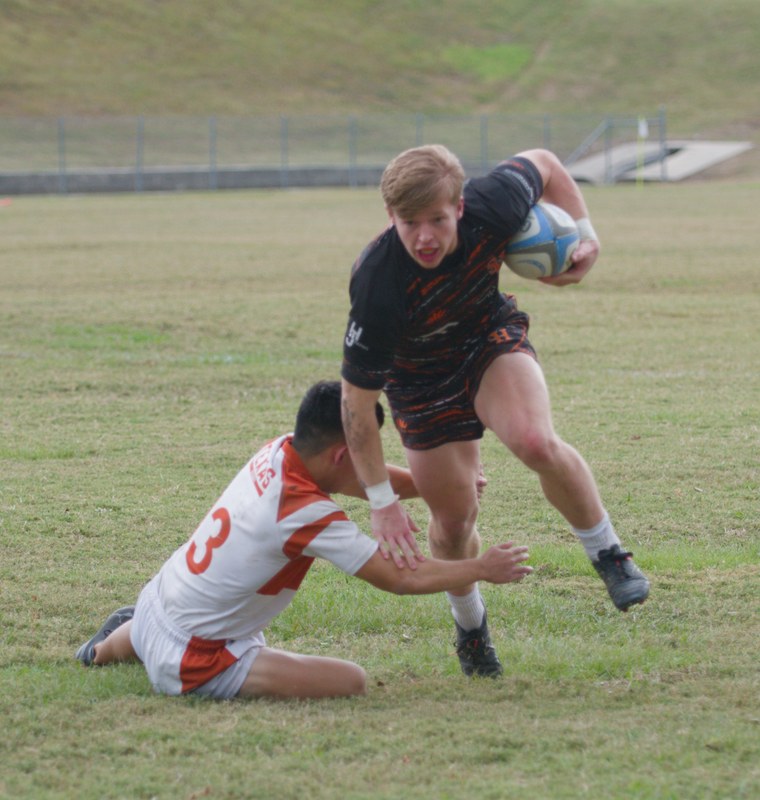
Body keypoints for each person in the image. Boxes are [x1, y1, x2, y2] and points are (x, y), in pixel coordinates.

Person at [340, 144, 650, 678]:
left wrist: (586, 232)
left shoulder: (494, 203)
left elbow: (548, 163)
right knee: (454, 520)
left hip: (487, 338)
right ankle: (470, 627)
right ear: (390, 217)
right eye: (409, 223)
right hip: (418, 380)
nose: (425, 237)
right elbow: (355, 406)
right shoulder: (377, 281)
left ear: (460, 207)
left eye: (437, 219)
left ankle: (609, 554)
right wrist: (381, 502)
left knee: (535, 440)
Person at [75, 381, 532, 699]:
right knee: (350, 681)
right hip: (196, 659)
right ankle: (194, 654)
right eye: (367, 453)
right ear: (342, 453)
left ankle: (99, 652)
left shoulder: (283, 448)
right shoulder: (303, 511)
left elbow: (357, 479)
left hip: (157, 602)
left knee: (160, 622)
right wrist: (481, 568)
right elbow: (397, 577)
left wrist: (436, 485)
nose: (373, 463)